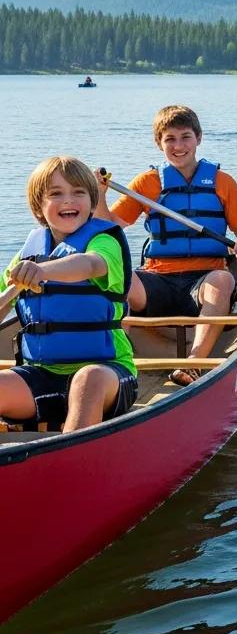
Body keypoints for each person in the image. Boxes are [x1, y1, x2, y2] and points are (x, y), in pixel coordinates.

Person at [95, 105, 237, 386]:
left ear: (198, 138)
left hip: (205, 278)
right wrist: (98, 194)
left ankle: (194, 364)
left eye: (185, 137)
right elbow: (108, 226)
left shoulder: (223, 182)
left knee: (222, 279)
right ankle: (114, 358)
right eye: (170, 139)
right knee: (116, 278)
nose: (178, 146)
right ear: (159, 143)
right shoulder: (147, 182)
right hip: (158, 278)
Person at [0, 157, 137, 433]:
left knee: (88, 379)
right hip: (42, 376)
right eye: (56, 193)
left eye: (79, 192)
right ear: (39, 204)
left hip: (107, 373)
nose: (68, 201)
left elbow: (89, 265)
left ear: (90, 201)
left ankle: (72, 464)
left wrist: (42, 271)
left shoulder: (103, 241)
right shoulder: (26, 255)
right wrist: (14, 287)